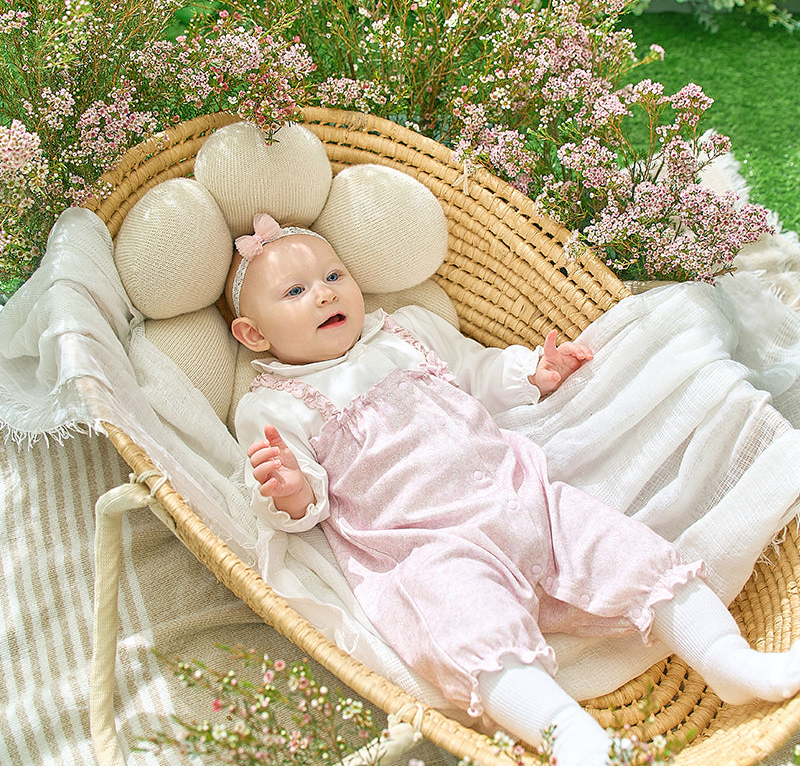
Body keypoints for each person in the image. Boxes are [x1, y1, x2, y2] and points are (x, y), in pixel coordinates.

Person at [229, 213, 800, 766]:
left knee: (633, 555)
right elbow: (305, 505)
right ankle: (570, 734)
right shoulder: (271, 403)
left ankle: (730, 662)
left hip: (525, 496)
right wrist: (291, 487)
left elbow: (477, 373)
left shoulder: (406, 330)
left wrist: (533, 373)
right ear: (253, 334)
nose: (326, 294)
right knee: (469, 627)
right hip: (428, 546)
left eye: (334, 276)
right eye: (296, 290)